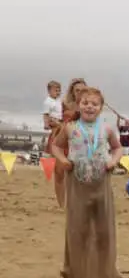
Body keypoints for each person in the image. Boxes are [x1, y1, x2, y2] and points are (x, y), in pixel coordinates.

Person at [51, 86, 125, 278]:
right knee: (78, 228)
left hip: (101, 182)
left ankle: (106, 275)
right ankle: (77, 275)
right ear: (78, 105)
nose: (89, 107)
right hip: (77, 181)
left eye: (94, 104)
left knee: (104, 229)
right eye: (85, 103)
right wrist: (63, 160)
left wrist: (113, 161)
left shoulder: (107, 128)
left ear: (101, 108)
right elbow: (55, 146)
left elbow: (118, 147)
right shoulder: (70, 127)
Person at [50, 77, 87, 208]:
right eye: (77, 90)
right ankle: (62, 205)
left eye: (83, 90)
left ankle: (75, 203)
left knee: (79, 173)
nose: (80, 92)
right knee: (59, 173)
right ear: (72, 91)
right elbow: (52, 120)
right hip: (61, 139)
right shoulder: (62, 104)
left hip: (80, 141)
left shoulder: (89, 106)